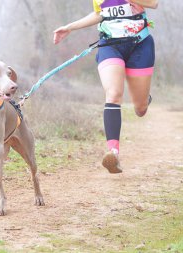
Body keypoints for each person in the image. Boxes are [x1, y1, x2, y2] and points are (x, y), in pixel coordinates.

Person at [53, 0, 158, 174]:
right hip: (110, 45)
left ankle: (143, 98)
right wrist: (70, 27)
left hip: (140, 44)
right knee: (113, 93)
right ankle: (113, 153)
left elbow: (153, 3)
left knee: (140, 109)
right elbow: (99, 13)